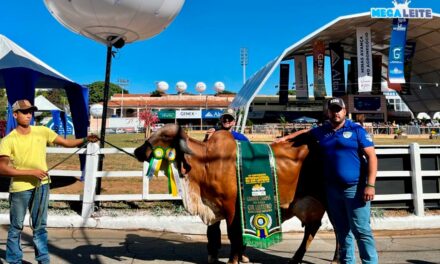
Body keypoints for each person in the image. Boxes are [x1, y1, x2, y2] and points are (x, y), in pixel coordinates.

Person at [0, 99, 98, 264]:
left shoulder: (42, 131)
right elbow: (2, 169)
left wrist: (85, 140)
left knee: (40, 228)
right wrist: (31, 172)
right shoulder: (8, 140)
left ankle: (43, 261)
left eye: (30, 111)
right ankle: (14, 260)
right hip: (19, 190)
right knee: (16, 228)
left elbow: (66, 143)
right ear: (15, 115)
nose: (28, 115)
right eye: (24, 112)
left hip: (42, 186)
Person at [310, 98, 378, 263]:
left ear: (345, 110)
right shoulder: (322, 130)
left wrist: (370, 185)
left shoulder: (356, 130)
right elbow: (304, 134)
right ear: (328, 112)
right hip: (332, 190)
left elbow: (372, 157)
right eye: (332, 109)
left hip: (354, 188)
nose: (336, 113)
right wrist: (283, 139)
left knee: (361, 230)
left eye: (338, 109)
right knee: (341, 231)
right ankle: (347, 262)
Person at [204, 108, 249, 264]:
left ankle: (240, 251)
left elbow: (249, 158)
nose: (227, 121)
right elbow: (203, 156)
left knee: (239, 222)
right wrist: (206, 139)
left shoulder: (241, 138)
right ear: (220, 120)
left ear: (234, 122)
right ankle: (213, 253)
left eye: (229, 119)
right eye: (224, 119)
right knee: (213, 222)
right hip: (216, 187)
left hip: (236, 185)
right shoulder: (212, 135)